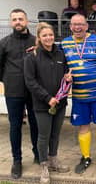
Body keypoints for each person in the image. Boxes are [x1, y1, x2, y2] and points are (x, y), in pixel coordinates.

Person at [61, 14, 96, 174]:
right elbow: (59, 65)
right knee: (83, 127)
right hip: (79, 96)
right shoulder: (65, 44)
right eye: (74, 24)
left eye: (80, 24)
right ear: (70, 27)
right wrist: (66, 76)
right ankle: (85, 157)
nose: (77, 27)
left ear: (86, 26)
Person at [24, 22, 71, 184]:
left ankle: (53, 160)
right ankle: (43, 165)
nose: (48, 38)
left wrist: (68, 78)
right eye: (44, 35)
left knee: (55, 135)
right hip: (43, 105)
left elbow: (66, 73)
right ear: (39, 37)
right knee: (43, 136)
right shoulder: (32, 56)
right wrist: (47, 98)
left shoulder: (60, 54)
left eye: (50, 35)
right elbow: (30, 82)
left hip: (60, 103)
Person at [0, 8, 39, 179]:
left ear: (27, 21)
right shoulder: (4, 43)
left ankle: (38, 154)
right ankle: (17, 160)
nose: (17, 22)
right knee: (15, 126)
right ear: (10, 22)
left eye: (20, 19)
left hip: (34, 91)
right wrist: (8, 80)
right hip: (14, 91)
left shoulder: (36, 41)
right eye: (14, 19)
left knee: (36, 123)